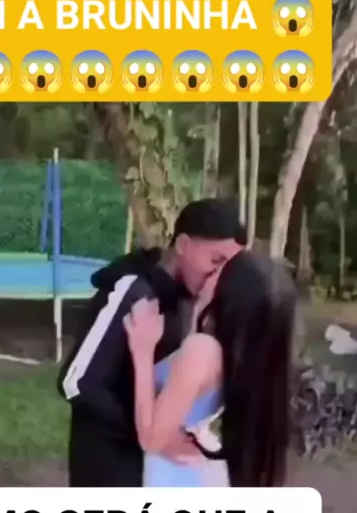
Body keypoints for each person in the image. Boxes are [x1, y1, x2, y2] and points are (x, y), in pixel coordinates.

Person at [57, 198, 246, 487]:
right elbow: (76, 382)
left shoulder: (194, 302)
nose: (218, 276)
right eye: (215, 261)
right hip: (109, 468)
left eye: (228, 268)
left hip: (158, 473)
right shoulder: (132, 291)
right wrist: (153, 436)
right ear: (182, 245)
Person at [123, 250, 296, 488]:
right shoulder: (242, 355)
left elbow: (150, 439)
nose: (210, 273)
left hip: (169, 474)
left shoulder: (202, 350)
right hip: (185, 469)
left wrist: (143, 349)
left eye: (219, 271)